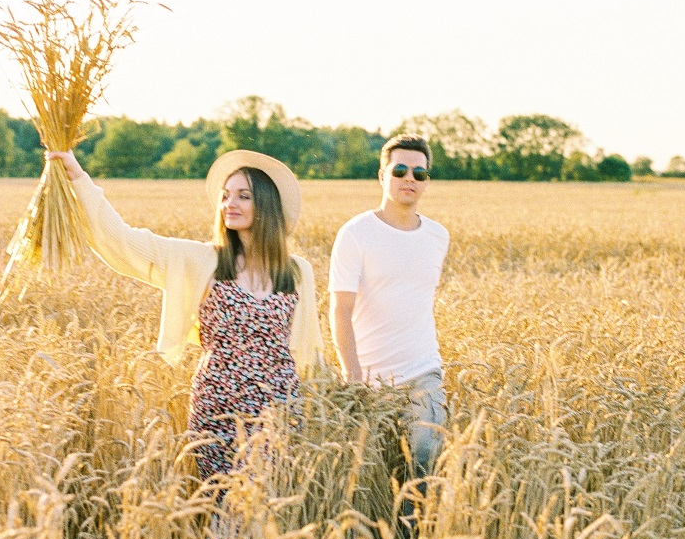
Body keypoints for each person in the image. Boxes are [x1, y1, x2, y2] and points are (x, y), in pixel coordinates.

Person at [47, 147, 323, 481]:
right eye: (225, 196)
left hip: (279, 409)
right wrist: (77, 175)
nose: (229, 205)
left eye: (243, 196)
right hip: (219, 406)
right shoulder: (202, 260)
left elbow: (309, 347)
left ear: (267, 206)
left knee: (268, 507)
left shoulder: (296, 272)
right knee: (227, 502)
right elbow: (121, 241)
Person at [328, 132, 449, 486]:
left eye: (419, 173)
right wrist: (352, 376)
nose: (408, 179)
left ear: (427, 182)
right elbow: (340, 309)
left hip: (423, 371)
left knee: (426, 455)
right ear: (382, 176)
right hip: (370, 377)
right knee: (371, 474)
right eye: (399, 170)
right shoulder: (355, 233)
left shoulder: (438, 237)